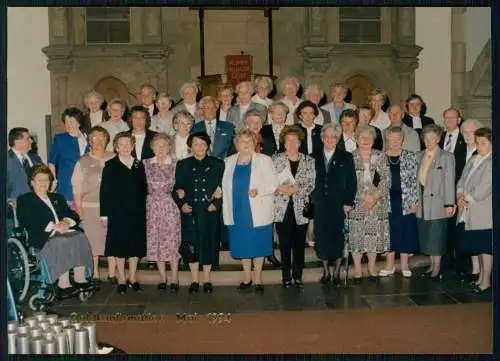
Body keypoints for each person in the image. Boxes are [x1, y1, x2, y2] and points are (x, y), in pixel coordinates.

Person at [17, 164, 93, 295]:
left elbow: (72, 214)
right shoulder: (25, 200)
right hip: (43, 237)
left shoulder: (57, 198)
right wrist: (54, 226)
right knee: (61, 240)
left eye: (46, 180)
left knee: (80, 235)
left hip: (63, 233)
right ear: (32, 182)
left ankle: (80, 278)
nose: (43, 183)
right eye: (40, 180)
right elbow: (27, 220)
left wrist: (66, 222)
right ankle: (64, 283)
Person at [222, 129, 278, 293]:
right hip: (237, 209)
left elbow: (273, 184)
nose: (245, 144)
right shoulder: (228, 161)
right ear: (236, 144)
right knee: (243, 244)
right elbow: (223, 184)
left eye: (249, 141)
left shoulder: (264, 160)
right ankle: (247, 277)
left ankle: (258, 278)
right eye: (242, 141)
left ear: (255, 144)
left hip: (258, 208)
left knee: (259, 243)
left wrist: (259, 190)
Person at [173, 132, 225, 294]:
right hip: (191, 211)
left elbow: (223, 187)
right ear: (190, 146)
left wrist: (216, 203)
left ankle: (207, 279)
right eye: (196, 144)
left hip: (208, 211)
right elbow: (177, 188)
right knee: (191, 245)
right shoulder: (183, 164)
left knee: (208, 244)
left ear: (208, 146)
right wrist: (181, 204)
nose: (200, 147)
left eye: (203, 144)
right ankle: (195, 279)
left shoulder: (218, 164)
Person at [100, 132, 148, 294]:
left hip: (136, 212)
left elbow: (144, 189)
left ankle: (132, 278)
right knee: (119, 246)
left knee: (135, 245)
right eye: (122, 144)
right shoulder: (110, 165)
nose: (125, 147)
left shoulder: (139, 165)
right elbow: (104, 192)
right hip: (117, 212)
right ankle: (121, 278)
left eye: (128, 144)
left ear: (133, 146)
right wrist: (104, 215)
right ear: (116, 147)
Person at [313, 123, 357, 285]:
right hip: (320, 204)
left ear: (338, 139)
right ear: (322, 138)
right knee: (322, 237)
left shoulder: (346, 156)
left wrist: (348, 202)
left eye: (334, 137)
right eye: (327, 136)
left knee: (338, 238)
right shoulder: (313, 155)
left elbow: (352, 181)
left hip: (339, 204)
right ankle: (326, 272)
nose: (330, 139)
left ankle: (337, 273)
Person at [273, 126, 316, 287]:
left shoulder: (309, 160)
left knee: (299, 243)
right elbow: (271, 181)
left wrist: (296, 189)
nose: (291, 143)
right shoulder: (276, 159)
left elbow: (312, 182)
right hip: (282, 208)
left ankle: (297, 276)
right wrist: (283, 189)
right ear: (284, 143)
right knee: (284, 244)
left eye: (294, 140)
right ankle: (285, 277)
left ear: (300, 143)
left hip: (300, 207)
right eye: (288, 141)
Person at [72, 126, 116, 282]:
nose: (98, 141)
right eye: (94, 138)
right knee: (92, 240)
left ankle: (112, 272)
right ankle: (95, 272)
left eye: (101, 137)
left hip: (111, 207)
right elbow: (76, 187)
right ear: (90, 141)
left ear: (107, 140)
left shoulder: (114, 157)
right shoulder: (83, 161)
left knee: (111, 238)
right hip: (90, 207)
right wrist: (79, 209)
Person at [347, 125, 391, 281]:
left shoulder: (381, 156)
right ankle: (358, 268)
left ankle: (372, 266)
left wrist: (375, 197)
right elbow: (348, 182)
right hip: (357, 202)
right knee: (356, 235)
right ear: (356, 140)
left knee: (374, 235)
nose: (365, 140)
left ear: (374, 140)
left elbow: (386, 179)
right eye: (362, 137)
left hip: (377, 203)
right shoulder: (350, 157)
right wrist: (364, 196)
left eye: (369, 138)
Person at [378, 126, 420, 278]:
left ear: (402, 139)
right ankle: (389, 266)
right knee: (389, 233)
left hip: (405, 201)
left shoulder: (410, 156)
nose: (395, 142)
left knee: (405, 232)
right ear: (387, 139)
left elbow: (414, 181)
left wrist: (414, 201)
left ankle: (404, 266)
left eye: (398, 139)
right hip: (386, 201)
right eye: (392, 139)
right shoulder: (381, 157)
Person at [417, 124, 456, 280]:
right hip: (422, 203)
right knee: (427, 236)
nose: (429, 141)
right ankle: (431, 265)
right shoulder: (419, 155)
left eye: (432, 138)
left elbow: (449, 181)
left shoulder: (446, 157)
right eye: (426, 138)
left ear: (438, 139)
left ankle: (437, 269)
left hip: (439, 203)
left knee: (437, 237)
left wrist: (449, 204)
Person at [456, 127, 492, 294]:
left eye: (483, 143)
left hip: (483, 212)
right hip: (470, 210)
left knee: (485, 249)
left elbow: (483, 188)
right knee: (477, 247)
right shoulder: (474, 159)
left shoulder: (492, 161)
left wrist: (466, 198)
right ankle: (479, 279)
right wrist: (459, 195)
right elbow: (462, 180)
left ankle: (485, 282)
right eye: (477, 143)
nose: (480, 146)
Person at [144, 133, 182, 292]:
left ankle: (174, 277)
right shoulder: (145, 164)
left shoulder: (176, 163)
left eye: (164, 145)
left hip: (169, 206)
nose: (160, 148)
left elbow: (181, 184)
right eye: (157, 145)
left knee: (172, 241)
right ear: (152, 147)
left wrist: (180, 192)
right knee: (156, 241)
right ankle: (162, 277)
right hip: (152, 207)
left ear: (169, 147)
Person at [439, 107, 467, 278]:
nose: (449, 120)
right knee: (444, 226)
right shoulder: (440, 138)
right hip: (440, 189)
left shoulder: (466, 138)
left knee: (458, 225)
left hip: (458, 187)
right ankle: (445, 261)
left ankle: (459, 262)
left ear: (459, 119)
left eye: (453, 117)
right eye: (446, 117)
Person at [457, 119, 483, 281]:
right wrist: (459, 195)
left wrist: (469, 197)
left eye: (471, 132)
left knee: (478, 235)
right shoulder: (459, 151)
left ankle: (481, 271)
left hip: (478, 201)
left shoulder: (484, 153)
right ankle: (474, 269)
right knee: (467, 235)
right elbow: (458, 178)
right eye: (464, 132)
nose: (467, 135)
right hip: (461, 200)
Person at [48, 107, 90, 205]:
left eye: (71, 122)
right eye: (66, 122)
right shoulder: (60, 139)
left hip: (86, 187)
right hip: (66, 186)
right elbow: (51, 162)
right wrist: (53, 180)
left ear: (79, 123)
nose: (68, 125)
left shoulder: (88, 139)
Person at [7, 127, 43, 199]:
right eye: (27, 138)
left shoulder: (36, 159)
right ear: (17, 141)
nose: (31, 141)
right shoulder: (6, 161)